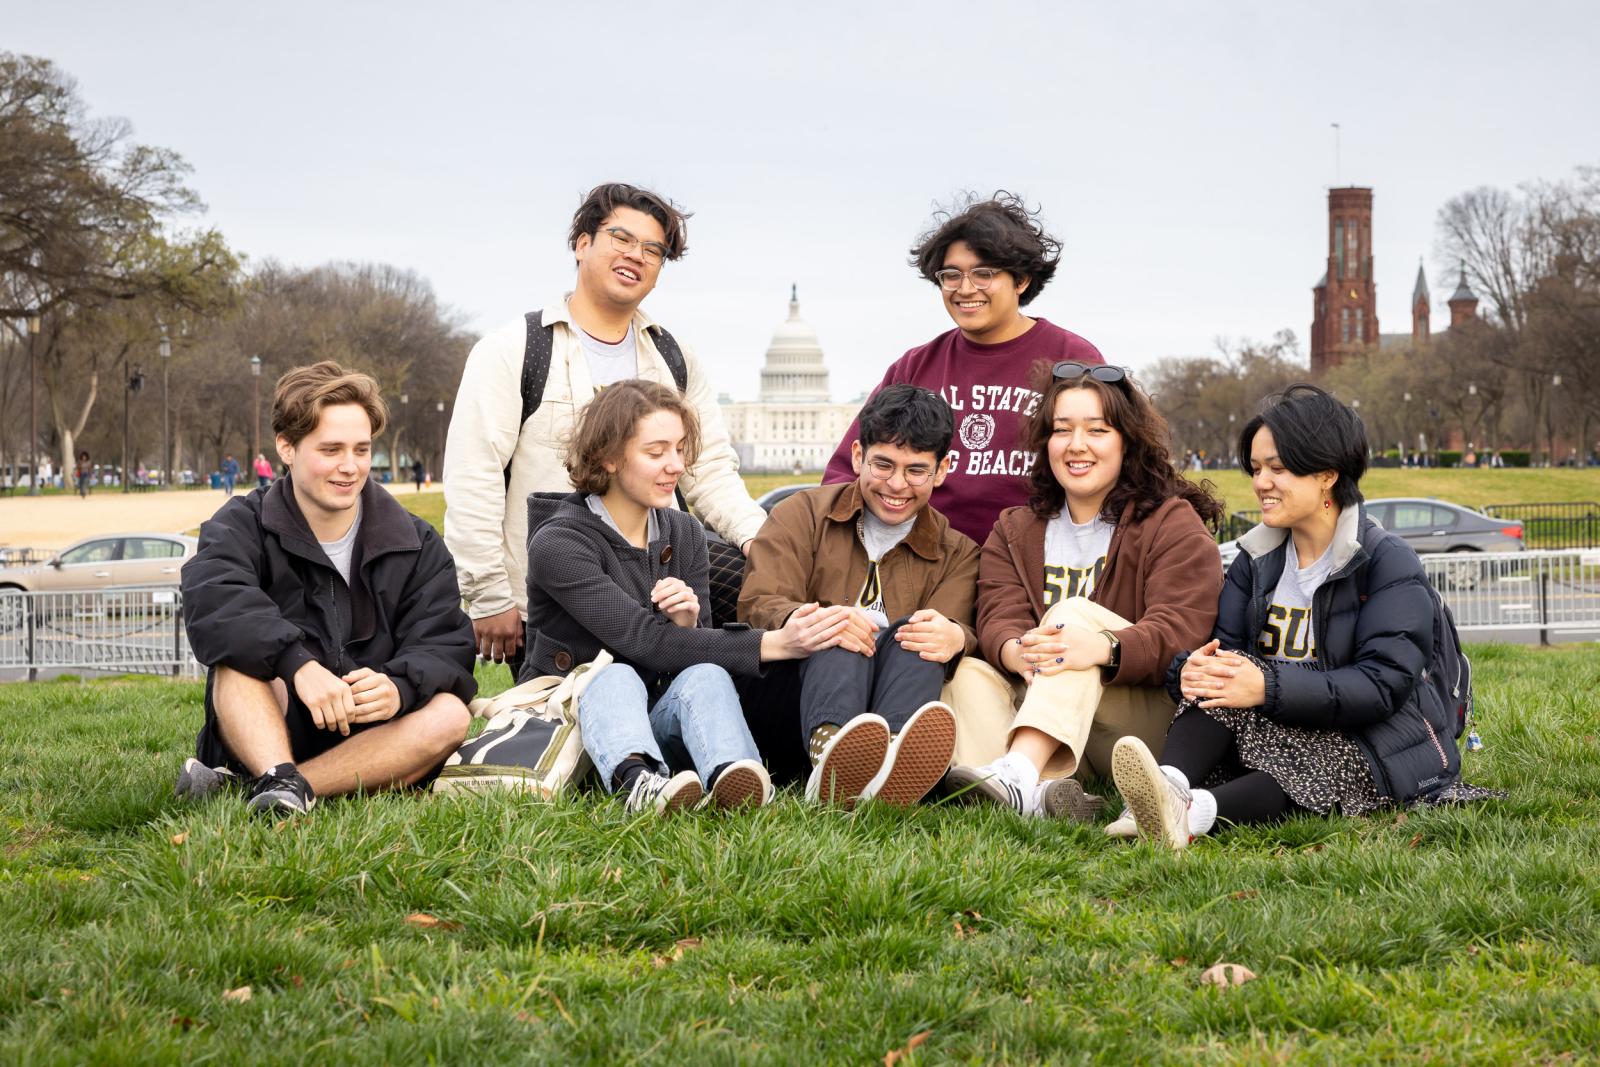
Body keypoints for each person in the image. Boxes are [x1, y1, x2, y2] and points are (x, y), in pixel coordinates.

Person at [1111, 384, 1461, 849]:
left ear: (1327, 475)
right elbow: (1229, 653)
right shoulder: (1255, 561)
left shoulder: (1385, 561)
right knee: (1220, 677)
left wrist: (1266, 686)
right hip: (1282, 718)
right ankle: (1166, 786)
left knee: (1320, 759)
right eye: (1256, 468)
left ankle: (1190, 814)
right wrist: (1190, 669)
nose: (1261, 482)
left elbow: (1382, 686)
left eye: (1278, 467)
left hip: (1373, 737)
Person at [445, 182, 765, 676]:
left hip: (660, 579)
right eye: (621, 238)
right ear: (581, 243)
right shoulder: (516, 349)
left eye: (653, 249)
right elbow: (474, 474)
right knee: (585, 730)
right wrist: (488, 595)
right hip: (560, 599)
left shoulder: (674, 357)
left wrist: (763, 544)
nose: (636, 256)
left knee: (757, 586)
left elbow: (710, 471)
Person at [523, 381, 839, 814]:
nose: (676, 466)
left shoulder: (683, 531)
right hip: (574, 724)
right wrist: (776, 642)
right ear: (609, 457)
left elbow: (690, 653)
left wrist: (687, 625)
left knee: (707, 674)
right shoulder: (558, 542)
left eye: (679, 449)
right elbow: (641, 641)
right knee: (612, 675)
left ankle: (737, 778)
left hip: (656, 715)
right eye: (656, 453)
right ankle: (636, 784)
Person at [178, 362, 476, 816]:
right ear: (287, 447)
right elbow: (215, 604)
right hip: (276, 720)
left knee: (452, 714)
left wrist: (399, 686)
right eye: (331, 449)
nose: (350, 467)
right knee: (235, 668)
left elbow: (445, 644)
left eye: (362, 450)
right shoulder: (241, 524)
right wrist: (295, 663)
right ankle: (273, 771)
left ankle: (284, 789)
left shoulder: (416, 541)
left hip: (372, 731)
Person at [944, 363, 1225, 816]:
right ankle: (1041, 796)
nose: (1077, 445)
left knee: (1071, 620)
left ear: (1126, 441)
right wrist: (1018, 651)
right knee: (967, 674)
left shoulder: (1169, 522)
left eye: (1097, 430)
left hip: (1135, 723)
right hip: (1044, 705)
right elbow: (998, 614)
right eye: (1062, 431)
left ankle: (1019, 775)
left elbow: (1182, 630)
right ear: (1045, 442)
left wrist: (1100, 647)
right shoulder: (1016, 528)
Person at [740, 384, 979, 807]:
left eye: (916, 471)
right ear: (857, 457)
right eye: (883, 465)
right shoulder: (800, 513)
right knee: (840, 626)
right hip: (792, 706)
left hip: (893, 692)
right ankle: (833, 752)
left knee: (920, 634)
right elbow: (760, 601)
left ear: (941, 471)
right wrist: (820, 620)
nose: (897, 484)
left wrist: (957, 636)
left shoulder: (958, 552)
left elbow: (955, 628)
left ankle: (891, 756)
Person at [820, 192, 1104, 545]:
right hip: (927, 563)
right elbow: (845, 473)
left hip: (1032, 563)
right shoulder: (914, 366)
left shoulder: (1072, 358)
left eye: (984, 274)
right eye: (951, 275)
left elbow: (1108, 469)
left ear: (1021, 280)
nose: (965, 289)